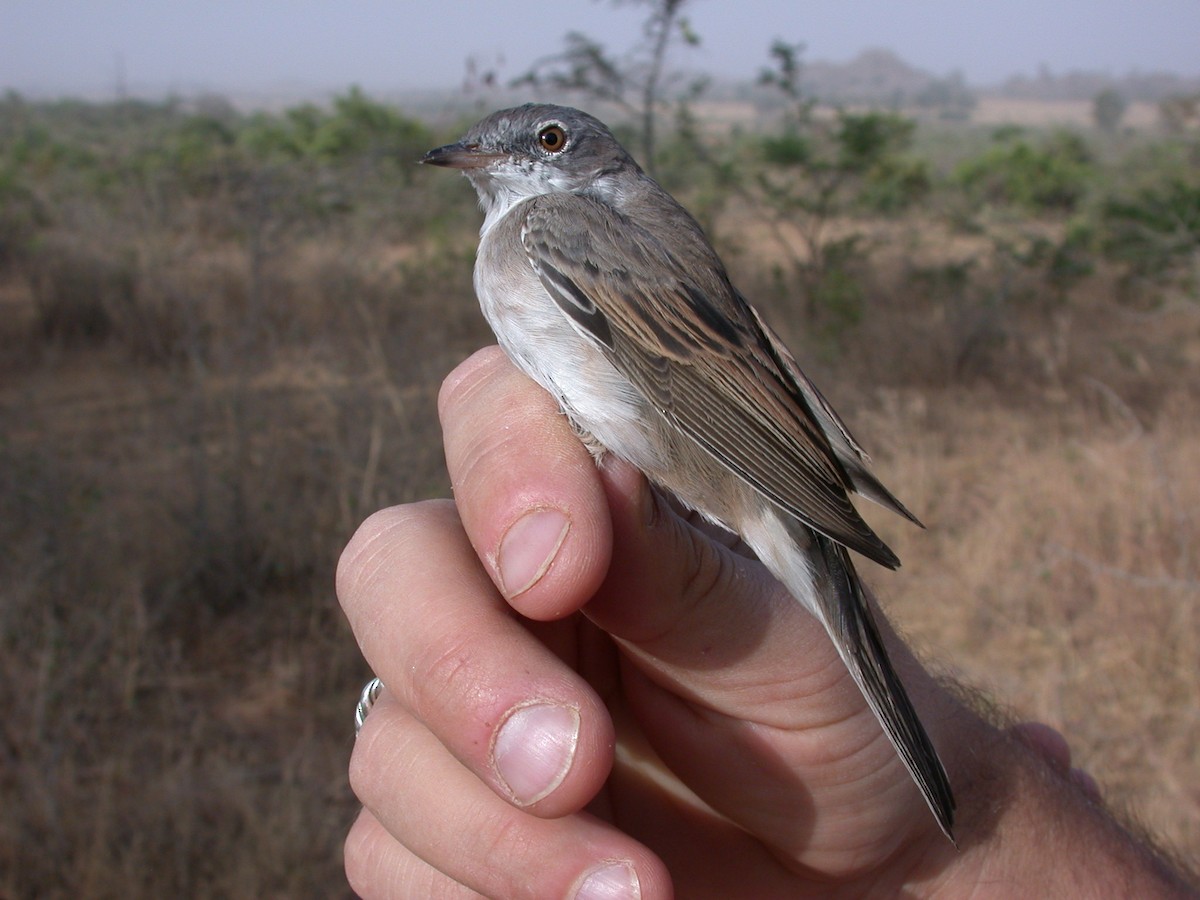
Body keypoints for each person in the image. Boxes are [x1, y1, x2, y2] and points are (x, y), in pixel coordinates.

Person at [338, 347, 1196, 899]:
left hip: (738, 476)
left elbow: (697, 381)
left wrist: (962, 851)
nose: (505, 161)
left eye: (551, 141)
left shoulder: (555, 231)